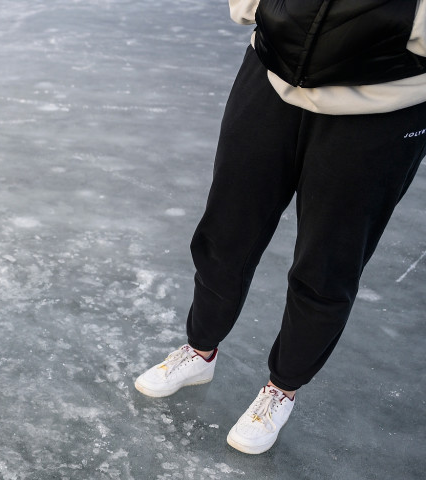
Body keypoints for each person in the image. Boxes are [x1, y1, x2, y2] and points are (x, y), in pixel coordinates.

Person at [134, 0, 426, 454]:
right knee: (226, 232)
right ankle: (199, 350)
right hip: (271, 74)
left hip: (382, 105)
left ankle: (281, 389)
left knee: (328, 261)